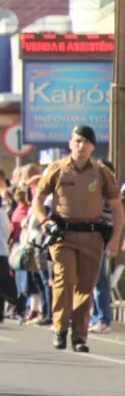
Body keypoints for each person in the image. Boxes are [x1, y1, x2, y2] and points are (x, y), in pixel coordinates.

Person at [32, 125, 123, 352]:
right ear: (70, 143)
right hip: (63, 234)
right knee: (64, 279)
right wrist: (44, 221)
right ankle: (60, 329)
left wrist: (115, 240)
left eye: (86, 142)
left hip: (92, 236)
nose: (81, 146)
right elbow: (38, 198)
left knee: (86, 287)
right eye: (77, 141)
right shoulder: (57, 169)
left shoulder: (102, 173)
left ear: (92, 146)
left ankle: (79, 337)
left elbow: (116, 207)